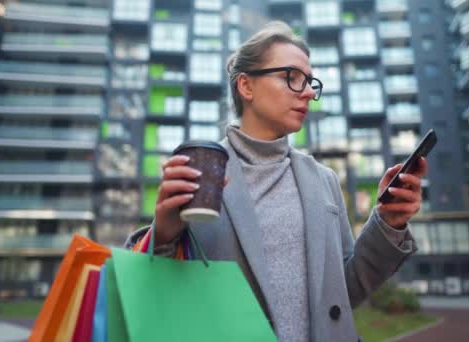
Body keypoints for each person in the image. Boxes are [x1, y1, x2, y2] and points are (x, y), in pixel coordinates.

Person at [125, 21, 427, 342]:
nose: (309, 92)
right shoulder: (202, 174)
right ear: (246, 87)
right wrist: (165, 231)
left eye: (310, 82)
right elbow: (158, 295)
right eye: (292, 78)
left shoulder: (324, 181)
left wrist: (387, 223)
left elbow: (342, 293)